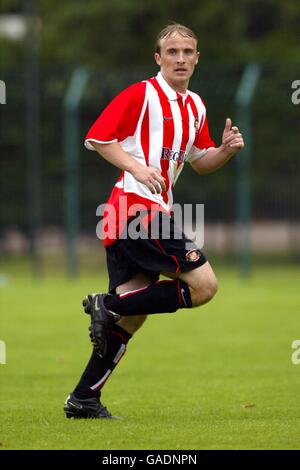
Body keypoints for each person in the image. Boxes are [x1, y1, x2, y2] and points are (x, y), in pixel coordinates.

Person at [64, 23, 244, 419]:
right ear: (158, 58)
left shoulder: (195, 105)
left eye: (188, 52)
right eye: (172, 52)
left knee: (133, 315)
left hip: (138, 213)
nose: (180, 59)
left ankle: (83, 399)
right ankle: (105, 304)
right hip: (135, 208)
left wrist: (226, 152)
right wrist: (138, 168)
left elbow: (201, 161)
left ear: (197, 58)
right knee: (204, 285)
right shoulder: (141, 94)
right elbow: (98, 138)